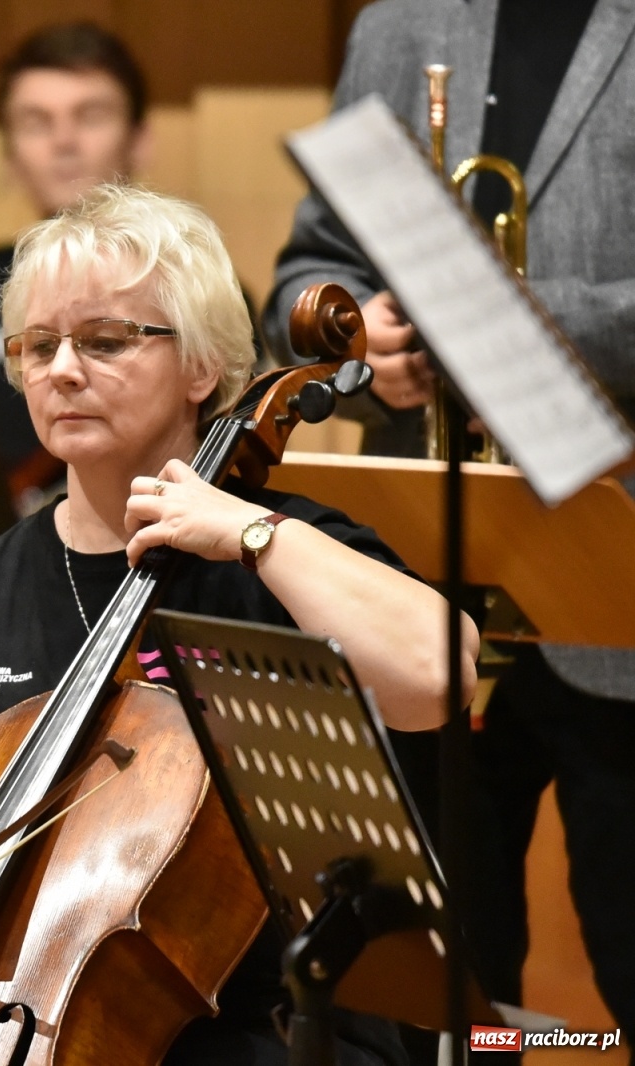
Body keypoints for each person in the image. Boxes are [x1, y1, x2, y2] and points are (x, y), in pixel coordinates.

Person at [0, 184, 477, 1065]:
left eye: (106, 340)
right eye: (38, 345)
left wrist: (253, 532)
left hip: (251, 1027)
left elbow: (441, 677)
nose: (62, 369)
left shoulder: (283, 554)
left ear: (201, 366)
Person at [263, 0, 635, 1039]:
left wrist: (503, 312)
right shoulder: (398, 24)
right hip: (422, 581)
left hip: (612, 572)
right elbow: (302, 276)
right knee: (433, 996)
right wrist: (357, 334)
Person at [0, 22, 149, 501]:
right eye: (36, 123)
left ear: (139, 140)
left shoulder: (196, 289)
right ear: (10, 157)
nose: (64, 141)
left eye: (91, 116)